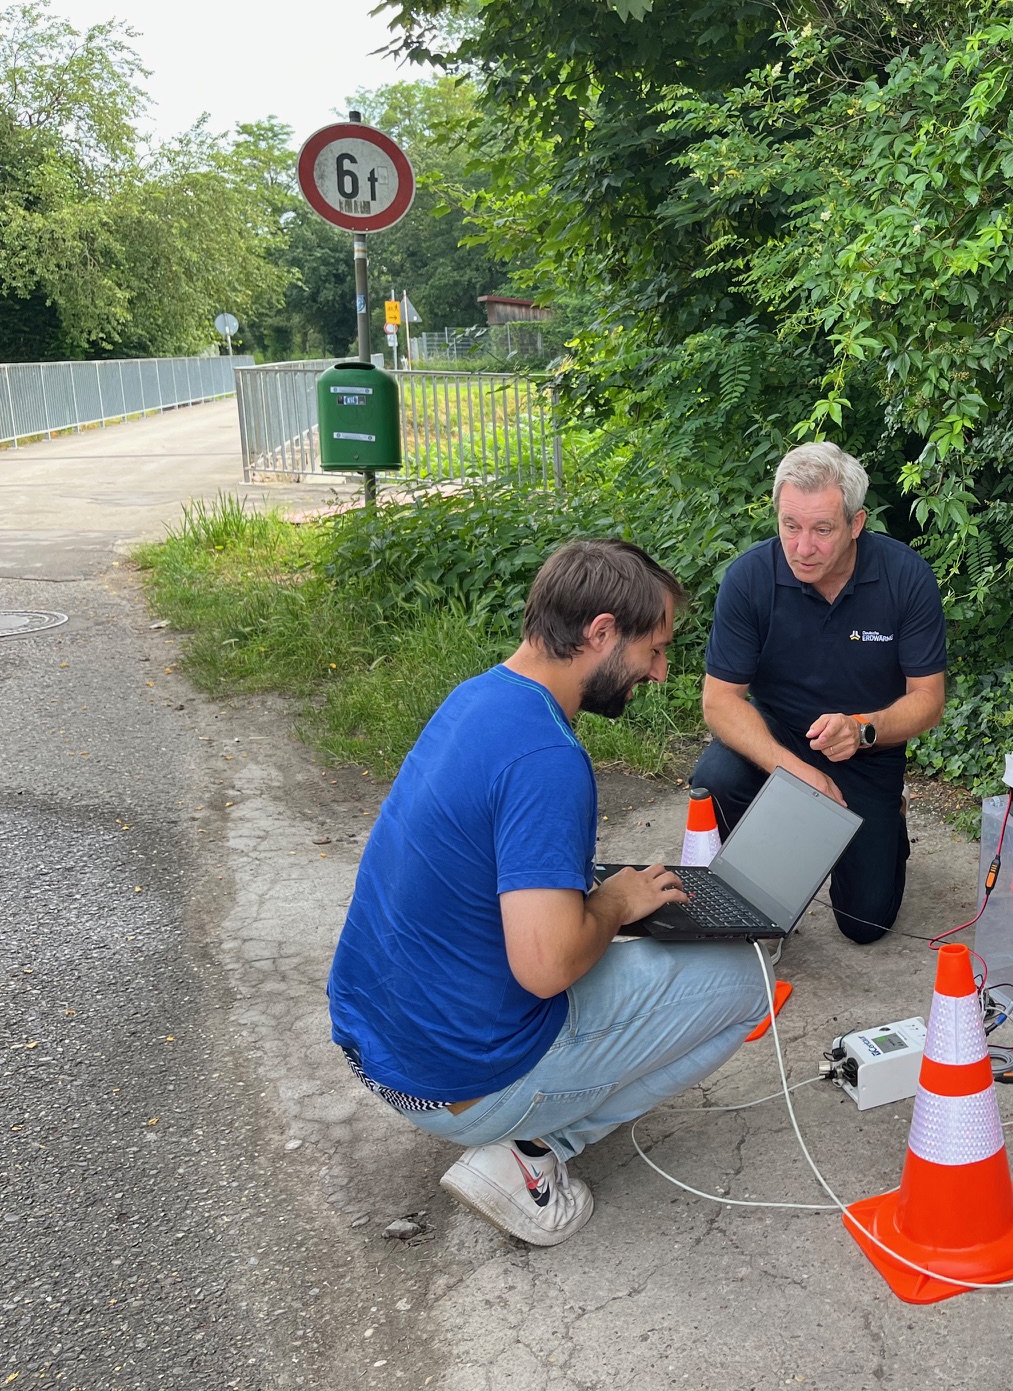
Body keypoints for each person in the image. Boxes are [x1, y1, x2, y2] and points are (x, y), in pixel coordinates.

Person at [326, 539, 769, 1246]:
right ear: (599, 632)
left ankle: (523, 1128)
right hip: (456, 1080)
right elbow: (547, 966)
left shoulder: (479, 697)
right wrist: (617, 904)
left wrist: (603, 900)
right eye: (654, 650)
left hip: (379, 1044)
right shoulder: (550, 760)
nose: (658, 673)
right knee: (748, 980)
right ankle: (529, 1156)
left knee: (613, 930)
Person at [693, 442, 947, 943]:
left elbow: (928, 699)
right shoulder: (749, 579)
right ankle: (755, 885)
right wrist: (795, 772)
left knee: (865, 925)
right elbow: (719, 701)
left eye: (822, 530)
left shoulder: (905, 576)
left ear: (856, 524)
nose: (802, 547)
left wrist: (862, 729)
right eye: (790, 526)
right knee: (715, 775)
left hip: (868, 749)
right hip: (782, 740)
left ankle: (887, 819)